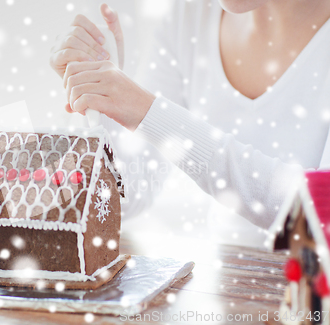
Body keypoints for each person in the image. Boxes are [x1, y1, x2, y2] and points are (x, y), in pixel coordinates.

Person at [50, 1, 330, 247]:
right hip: (227, 289)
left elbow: (317, 215)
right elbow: (126, 197)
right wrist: (99, 108)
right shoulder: (189, 15)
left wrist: (152, 115)